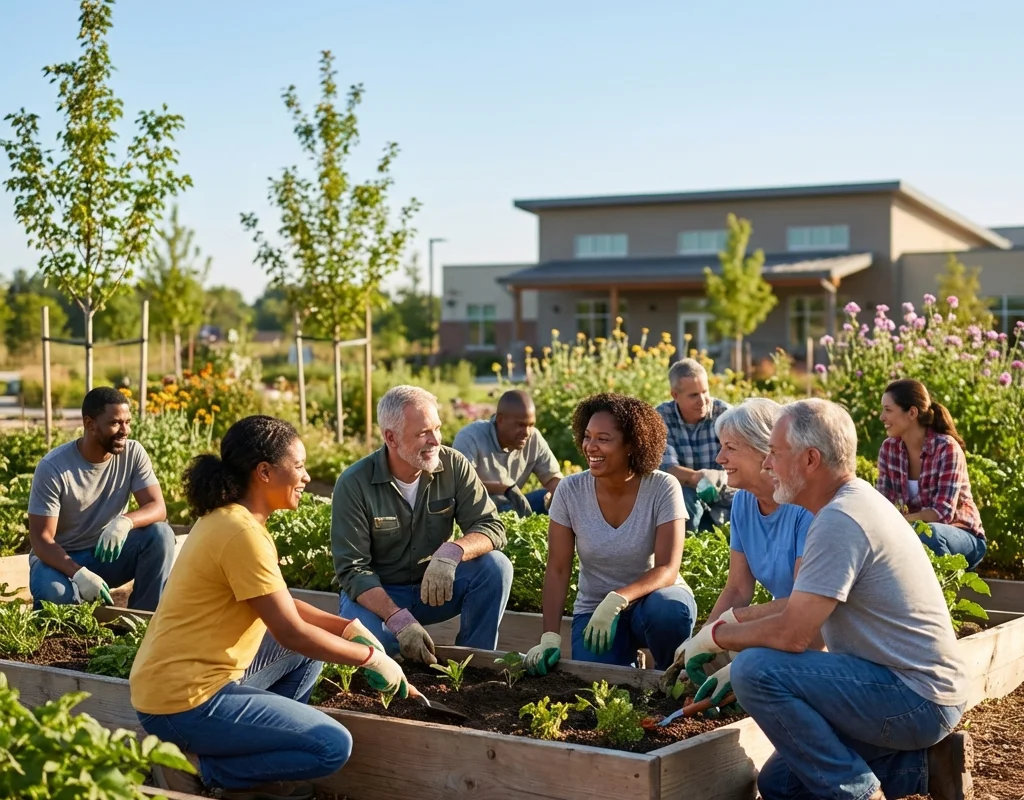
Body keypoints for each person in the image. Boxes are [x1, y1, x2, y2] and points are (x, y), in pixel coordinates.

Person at [671, 399, 972, 800]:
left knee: (755, 671)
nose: (767, 465)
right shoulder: (845, 503)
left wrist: (718, 637)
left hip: (916, 696)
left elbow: (797, 635)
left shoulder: (839, 520)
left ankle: (861, 795)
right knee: (781, 785)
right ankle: (926, 766)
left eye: (775, 455)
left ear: (810, 460)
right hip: (904, 686)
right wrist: (722, 635)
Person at [130, 415, 409, 800]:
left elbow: (280, 603)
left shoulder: (231, 520)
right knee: (331, 745)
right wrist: (369, 658)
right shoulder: (241, 533)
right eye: (298, 466)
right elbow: (290, 631)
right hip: (183, 704)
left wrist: (344, 627)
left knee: (308, 655)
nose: (307, 476)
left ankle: (251, 767)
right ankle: (201, 767)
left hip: (176, 686)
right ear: (264, 472)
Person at [332, 385, 511, 665]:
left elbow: (491, 526)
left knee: (495, 567)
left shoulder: (453, 466)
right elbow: (353, 571)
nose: (435, 440)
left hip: (434, 591)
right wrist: (398, 619)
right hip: (381, 595)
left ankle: (474, 665)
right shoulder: (354, 483)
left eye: (437, 428)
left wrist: (451, 552)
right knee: (376, 656)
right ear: (390, 437)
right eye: (422, 433)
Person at [523, 393, 695, 674]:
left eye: (603, 439)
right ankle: (627, 658)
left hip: (651, 604)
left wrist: (618, 598)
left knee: (669, 610)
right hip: (595, 612)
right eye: (588, 436)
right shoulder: (570, 491)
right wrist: (550, 637)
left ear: (631, 445)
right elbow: (557, 567)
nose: (591, 446)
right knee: (597, 684)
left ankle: (670, 674)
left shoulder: (662, 487)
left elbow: (667, 568)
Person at [660, 398, 814, 695]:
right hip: (780, 628)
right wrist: (703, 635)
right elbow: (738, 589)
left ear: (764, 451)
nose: (719, 458)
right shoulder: (744, 501)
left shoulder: (804, 507)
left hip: (812, 638)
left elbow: (802, 606)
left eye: (730, 448)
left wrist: (726, 629)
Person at [27, 387, 175, 611]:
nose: (125, 431)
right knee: (55, 595)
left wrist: (125, 521)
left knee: (161, 534)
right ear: (90, 424)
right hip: (58, 562)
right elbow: (41, 539)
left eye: (128, 422)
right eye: (115, 423)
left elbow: (157, 507)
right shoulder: (54, 467)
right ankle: (71, 608)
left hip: (105, 553)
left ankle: (142, 619)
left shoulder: (133, 453)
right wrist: (78, 574)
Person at [877, 378, 986, 569]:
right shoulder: (889, 449)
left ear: (912, 413)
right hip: (911, 535)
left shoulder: (946, 448)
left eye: (888, 410)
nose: (881, 417)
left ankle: (939, 596)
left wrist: (900, 521)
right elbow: (882, 506)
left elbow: (942, 514)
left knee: (929, 534)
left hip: (962, 536)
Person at [452, 389, 563, 517]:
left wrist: (555, 494)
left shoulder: (533, 438)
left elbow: (553, 478)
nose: (527, 432)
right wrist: (505, 488)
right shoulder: (470, 437)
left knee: (561, 495)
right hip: (478, 512)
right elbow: (461, 485)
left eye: (531, 425)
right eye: (520, 425)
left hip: (513, 507)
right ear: (500, 420)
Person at [656, 358, 734, 532]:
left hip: (726, 495)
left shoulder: (725, 415)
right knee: (679, 497)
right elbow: (666, 469)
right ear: (675, 395)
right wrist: (700, 478)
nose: (703, 400)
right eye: (693, 395)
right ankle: (683, 552)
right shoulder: (661, 418)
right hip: (687, 500)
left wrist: (717, 479)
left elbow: (745, 465)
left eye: (705, 392)